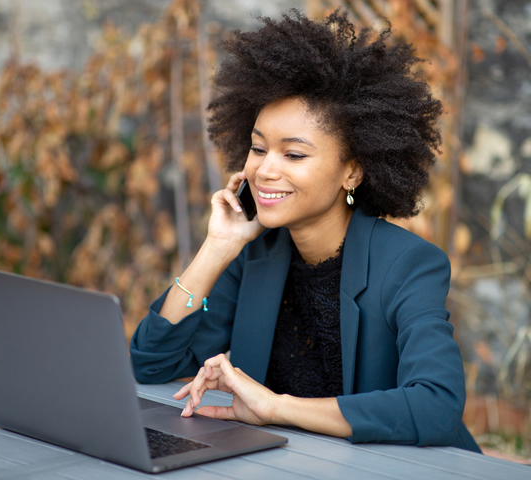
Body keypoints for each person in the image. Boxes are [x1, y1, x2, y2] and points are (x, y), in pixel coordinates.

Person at [129, 9, 480, 452]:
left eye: (294, 155)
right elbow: (151, 363)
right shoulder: (256, 254)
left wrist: (275, 408)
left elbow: (436, 407)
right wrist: (218, 247)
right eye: (258, 148)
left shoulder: (407, 264)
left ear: (352, 172)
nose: (265, 169)